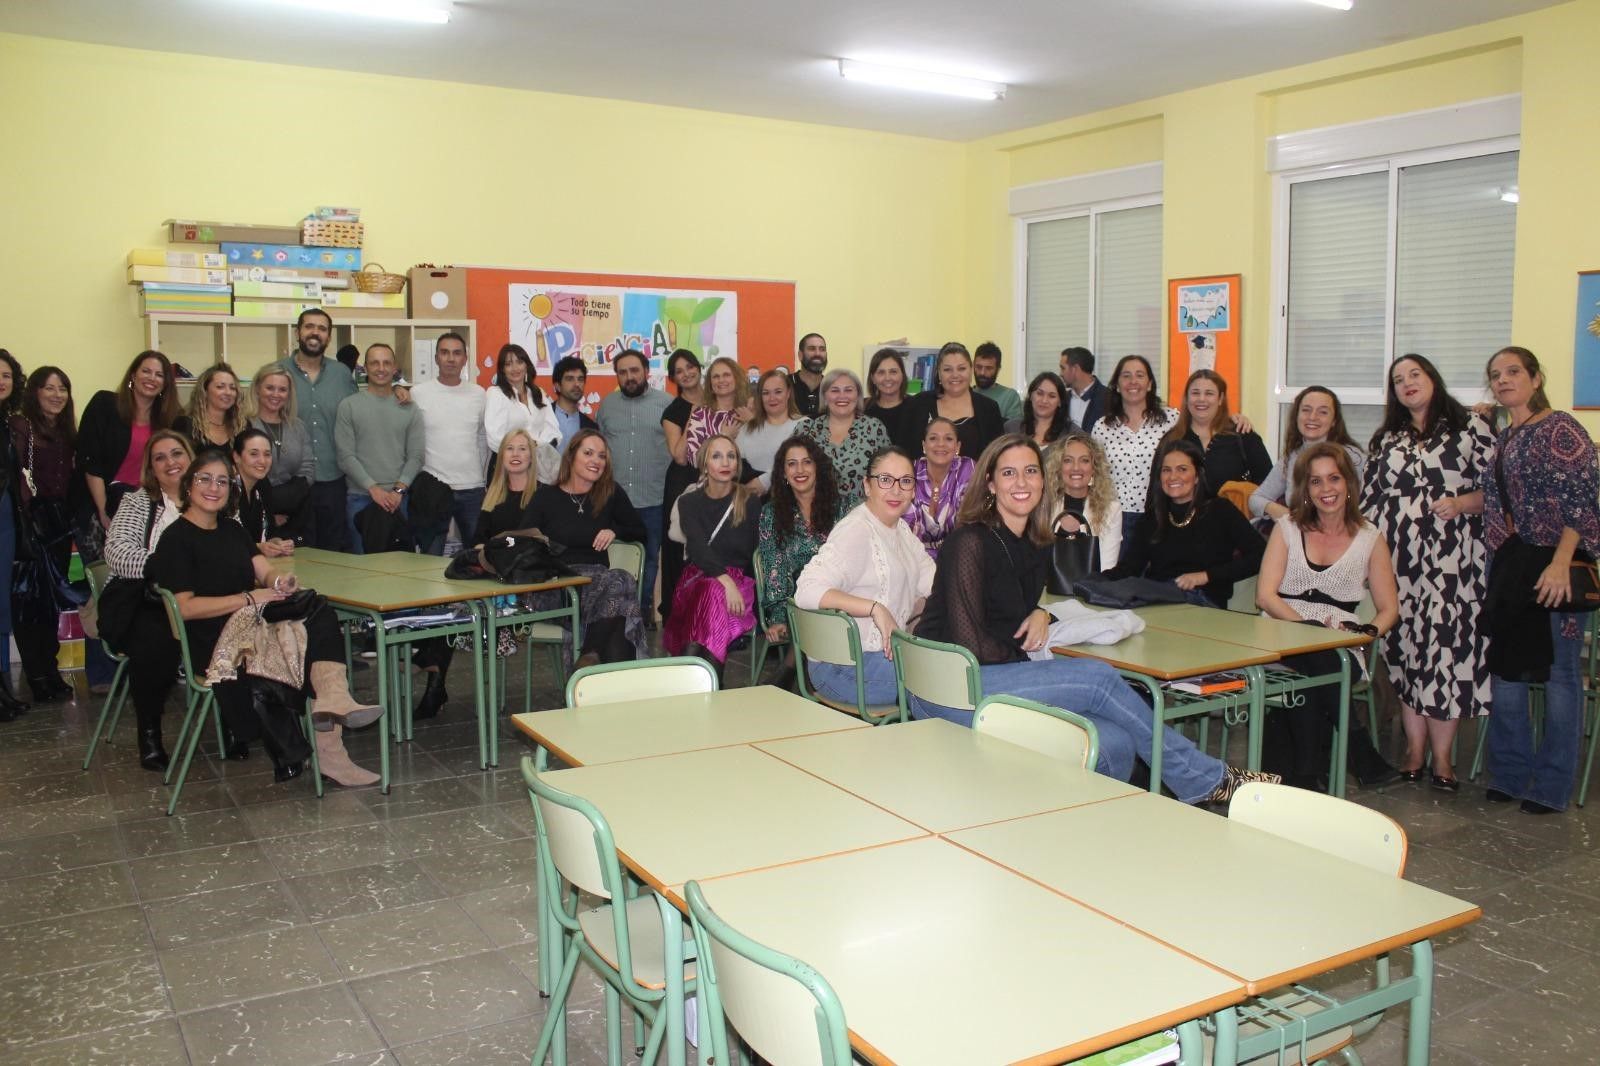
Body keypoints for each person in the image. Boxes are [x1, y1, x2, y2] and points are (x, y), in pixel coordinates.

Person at [912, 435, 1276, 803]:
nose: (1021, 483)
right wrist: (1049, 673)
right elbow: (970, 646)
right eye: (1008, 473)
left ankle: (1076, 829)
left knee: (1115, 744)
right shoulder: (970, 541)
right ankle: (1206, 779)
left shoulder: (1034, 543)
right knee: (1096, 678)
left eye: (1030, 471)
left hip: (990, 674)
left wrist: (1040, 612)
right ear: (990, 482)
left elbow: (1005, 610)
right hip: (949, 687)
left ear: (1043, 480)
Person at [148, 449, 381, 787]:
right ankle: (332, 749)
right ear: (188, 486)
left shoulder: (233, 530)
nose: (214, 487)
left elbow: (264, 570)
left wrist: (277, 582)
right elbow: (184, 608)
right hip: (214, 641)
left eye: (223, 481)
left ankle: (333, 701)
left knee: (316, 608)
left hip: (252, 623)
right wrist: (246, 598)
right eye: (205, 479)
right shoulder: (175, 540)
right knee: (310, 642)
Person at [1359, 353, 1493, 791]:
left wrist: (1461, 503)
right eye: (1398, 379)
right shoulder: (1385, 439)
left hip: (1455, 565)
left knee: (1447, 656)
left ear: (1433, 379)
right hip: (1399, 566)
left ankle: (1443, 758)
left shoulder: (1471, 429)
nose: (1407, 383)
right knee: (1408, 654)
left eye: (1415, 375)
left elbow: (1498, 492)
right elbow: (1369, 504)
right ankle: (1414, 751)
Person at [1481, 346, 1600, 815]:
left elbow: (1584, 503)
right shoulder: (1506, 435)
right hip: (1511, 573)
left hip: (1555, 570)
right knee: (1507, 672)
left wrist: (1560, 559)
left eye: (1513, 372)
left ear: (1535, 377)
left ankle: (1550, 786)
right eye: (1495, 375)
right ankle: (1510, 775)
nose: (1504, 380)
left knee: (1560, 677)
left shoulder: (1561, 428)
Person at [1256, 443, 1401, 789]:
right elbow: (1265, 595)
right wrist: (1307, 630)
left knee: (1318, 665)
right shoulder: (1287, 527)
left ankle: (1309, 774)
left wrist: (1365, 634)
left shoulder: (1370, 538)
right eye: (1316, 482)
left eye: (1333, 479)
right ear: (1306, 489)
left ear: (1349, 483)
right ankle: (1356, 750)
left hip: (1340, 640)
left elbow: (1389, 609)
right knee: (1317, 660)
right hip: (1281, 632)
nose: (1326, 490)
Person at [520, 429, 650, 670]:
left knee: (619, 609)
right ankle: (603, 675)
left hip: (599, 585)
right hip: (556, 586)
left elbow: (640, 531)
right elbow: (525, 542)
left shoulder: (610, 493)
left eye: (601, 456)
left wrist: (615, 531)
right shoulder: (546, 497)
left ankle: (588, 660)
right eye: (588, 453)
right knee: (621, 585)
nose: (596, 461)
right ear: (571, 456)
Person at [102, 430, 193, 768]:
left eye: (177, 453)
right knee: (154, 642)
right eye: (160, 457)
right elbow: (117, 553)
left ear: (190, 457)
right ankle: (150, 733)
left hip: (202, 599)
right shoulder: (137, 501)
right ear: (151, 468)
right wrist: (167, 567)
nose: (171, 462)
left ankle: (235, 723)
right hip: (145, 598)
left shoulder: (213, 496)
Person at [1104, 437, 1265, 608]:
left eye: (1182, 469)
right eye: (1166, 470)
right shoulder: (1151, 518)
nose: (1173, 476)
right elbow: (1128, 569)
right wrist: (1091, 581)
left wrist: (1206, 576)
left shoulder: (1220, 510)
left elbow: (1259, 554)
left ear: (1197, 476)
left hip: (1204, 604)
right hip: (1157, 599)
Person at [663, 434, 760, 675]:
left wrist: (728, 582)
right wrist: (724, 581)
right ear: (704, 463)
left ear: (737, 463)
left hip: (739, 587)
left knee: (713, 592)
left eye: (731, 456)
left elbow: (750, 552)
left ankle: (689, 673)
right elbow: (697, 548)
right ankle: (711, 680)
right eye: (716, 456)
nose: (725, 462)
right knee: (712, 589)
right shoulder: (688, 502)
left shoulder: (749, 501)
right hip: (696, 581)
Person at [11, 366, 79, 703]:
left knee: (52, 600)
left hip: (58, 525)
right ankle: (36, 673)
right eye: (49, 388)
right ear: (34, 391)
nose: (57, 395)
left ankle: (49, 670)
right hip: (30, 524)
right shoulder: (21, 426)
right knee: (29, 602)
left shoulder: (67, 431)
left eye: (62, 388)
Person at [597, 348, 673, 621]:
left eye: (634, 371)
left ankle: (640, 612)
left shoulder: (667, 403)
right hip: (613, 499)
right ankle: (614, 611)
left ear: (646, 372)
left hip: (652, 497)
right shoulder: (607, 405)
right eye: (622, 372)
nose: (629, 377)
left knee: (650, 559)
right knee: (613, 558)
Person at [273, 309, 358, 550]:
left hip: (333, 479)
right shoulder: (278, 372)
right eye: (309, 326)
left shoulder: (342, 374)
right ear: (297, 332)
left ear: (329, 337)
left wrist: (397, 393)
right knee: (294, 556)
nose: (315, 333)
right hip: (290, 481)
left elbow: (358, 414)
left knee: (333, 553)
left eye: (322, 329)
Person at [757, 435, 838, 684]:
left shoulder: (843, 508)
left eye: (807, 462)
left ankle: (786, 673)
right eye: (792, 464)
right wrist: (779, 616)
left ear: (818, 468)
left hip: (841, 597)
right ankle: (815, 686)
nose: (800, 470)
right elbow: (774, 567)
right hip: (797, 603)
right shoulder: (771, 514)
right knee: (809, 607)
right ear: (783, 472)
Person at [335, 344, 424, 554]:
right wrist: (373, 489)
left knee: (400, 571)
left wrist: (397, 491)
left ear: (395, 368)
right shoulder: (349, 406)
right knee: (363, 571)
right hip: (361, 499)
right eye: (374, 363)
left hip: (399, 500)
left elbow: (417, 456)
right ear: (365, 367)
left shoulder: (409, 408)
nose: (381, 368)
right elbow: (346, 456)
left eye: (386, 363)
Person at [76, 349, 179, 530]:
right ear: (133, 375)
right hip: (99, 506)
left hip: (144, 508)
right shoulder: (105, 404)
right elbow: (90, 461)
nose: (152, 378)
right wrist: (103, 510)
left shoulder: (168, 421)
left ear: (165, 384)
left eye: (159, 375)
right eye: (146, 371)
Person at [410, 332, 489, 554]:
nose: (451, 359)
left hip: (472, 488)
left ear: (465, 359)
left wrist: (479, 474)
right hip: (433, 488)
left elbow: (482, 437)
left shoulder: (478, 394)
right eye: (445, 353)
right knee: (429, 559)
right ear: (436, 358)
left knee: (477, 557)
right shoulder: (418, 393)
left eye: (457, 353)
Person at [1091, 354, 1177, 542]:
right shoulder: (1102, 426)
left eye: (1140, 375)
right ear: (1116, 385)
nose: (1133, 381)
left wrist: (1236, 419)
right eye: (1126, 376)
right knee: (1115, 571)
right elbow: (1095, 474)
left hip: (1158, 514)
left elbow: (1203, 424)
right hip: (1113, 517)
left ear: (1150, 384)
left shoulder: (1171, 420)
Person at [1251, 386, 1364, 521]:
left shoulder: (1352, 458)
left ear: (1334, 421)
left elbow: (1364, 506)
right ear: (1296, 415)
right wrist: (1284, 514)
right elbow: (1256, 498)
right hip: (1296, 533)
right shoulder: (1292, 456)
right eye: (1306, 410)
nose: (1312, 417)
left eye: (1322, 412)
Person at [657, 349, 706, 626]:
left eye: (690, 366)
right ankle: (677, 616)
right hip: (682, 482)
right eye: (679, 370)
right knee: (679, 546)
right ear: (673, 378)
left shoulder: (716, 399)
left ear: (699, 367)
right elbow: (678, 454)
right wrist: (695, 416)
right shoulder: (673, 411)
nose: (686, 373)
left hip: (714, 480)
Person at [1167, 369, 1271, 498]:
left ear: (1221, 399)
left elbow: (1268, 486)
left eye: (1209, 393)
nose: (1201, 399)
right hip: (1183, 518)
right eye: (1195, 393)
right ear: (1186, 399)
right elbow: (1157, 490)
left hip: (1233, 517)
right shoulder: (1172, 439)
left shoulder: (1243, 436)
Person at [897, 342, 1004, 462]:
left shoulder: (989, 408)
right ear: (939, 372)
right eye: (947, 369)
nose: (955, 375)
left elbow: (998, 457)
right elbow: (902, 455)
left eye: (961, 368)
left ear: (971, 369)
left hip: (975, 480)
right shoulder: (917, 405)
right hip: (923, 479)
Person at [802, 369, 891, 513]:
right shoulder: (805, 430)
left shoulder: (874, 428)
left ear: (858, 395)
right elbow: (787, 472)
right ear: (824, 396)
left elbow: (888, 475)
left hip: (863, 519)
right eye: (835, 390)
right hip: (813, 518)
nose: (842, 396)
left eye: (848, 390)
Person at [246, 365, 315, 543]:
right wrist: (268, 512)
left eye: (282, 389)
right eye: (270, 388)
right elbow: (241, 471)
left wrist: (286, 505)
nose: (276, 394)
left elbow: (307, 470)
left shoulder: (298, 426)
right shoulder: (243, 424)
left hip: (293, 515)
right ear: (257, 389)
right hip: (253, 515)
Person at [484, 342, 560, 479]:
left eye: (519, 362)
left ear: (526, 365)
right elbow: (494, 438)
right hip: (506, 470)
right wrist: (524, 448)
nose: (515, 368)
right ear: (502, 370)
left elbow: (553, 430)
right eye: (508, 364)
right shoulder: (495, 393)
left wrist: (535, 445)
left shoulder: (539, 393)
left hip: (539, 468)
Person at [1046, 432, 1122, 569]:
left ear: (1094, 468)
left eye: (1084, 460)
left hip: (1092, 587)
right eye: (1068, 460)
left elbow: (1107, 568)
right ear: (1059, 467)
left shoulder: (1111, 509)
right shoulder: (1044, 506)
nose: (1076, 467)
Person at [904, 417, 973, 557]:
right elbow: (903, 528)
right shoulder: (908, 471)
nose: (941, 444)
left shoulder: (968, 468)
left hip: (957, 557)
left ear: (958, 446)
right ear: (924, 445)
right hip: (911, 556)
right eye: (933, 438)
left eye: (948, 439)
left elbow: (970, 524)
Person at [0, 351, 25, 718]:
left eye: (6, 375)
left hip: (5, 513)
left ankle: (3, 688)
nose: (1, 381)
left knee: (2, 604)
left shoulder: (9, 423)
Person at [232, 428, 295, 558]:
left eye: (267, 454)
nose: (262, 461)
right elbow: (219, 541)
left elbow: (270, 530)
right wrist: (257, 547)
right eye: (254, 454)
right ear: (236, 457)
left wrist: (276, 543)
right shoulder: (225, 488)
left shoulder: (263, 484)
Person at [683, 356, 756, 466]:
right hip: (714, 481)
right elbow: (695, 459)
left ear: (737, 378)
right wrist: (723, 436)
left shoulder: (751, 410)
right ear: (710, 384)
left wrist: (753, 422)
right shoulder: (700, 415)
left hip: (752, 480)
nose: (721, 380)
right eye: (716, 377)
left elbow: (769, 449)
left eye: (726, 375)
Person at [740, 368, 805, 490]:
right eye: (766, 393)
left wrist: (764, 482)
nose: (772, 398)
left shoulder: (804, 426)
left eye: (778, 392)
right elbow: (735, 463)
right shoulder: (747, 428)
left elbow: (808, 466)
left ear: (788, 393)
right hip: (752, 500)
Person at [173, 364, 245, 450]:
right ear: (205, 391)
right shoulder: (185, 425)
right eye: (220, 387)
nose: (228, 392)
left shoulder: (242, 427)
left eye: (232, 388)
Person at [1008, 371, 1072, 448]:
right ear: (1031, 396)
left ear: (1060, 402)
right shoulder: (1011, 428)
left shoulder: (1071, 434)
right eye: (1040, 393)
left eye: (1052, 396)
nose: (1044, 400)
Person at [549, 354, 597, 455]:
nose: (577, 384)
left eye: (580, 379)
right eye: (570, 379)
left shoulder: (591, 427)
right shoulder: (542, 417)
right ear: (557, 386)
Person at [864, 347, 913, 445]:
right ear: (873, 378)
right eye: (881, 372)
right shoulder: (863, 408)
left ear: (902, 375)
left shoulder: (916, 407)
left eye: (893, 372)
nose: (887, 378)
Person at [1059, 346, 1107, 434]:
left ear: (1075, 369)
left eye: (1063, 368)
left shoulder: (1110, 399)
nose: (1060, 374)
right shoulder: (1061, 398)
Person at [973, 340, 1023, 424]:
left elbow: (1013, 431)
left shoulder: (1009, 397)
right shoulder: (966, 394)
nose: (982, 373)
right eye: (978, 367)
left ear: (998, 369)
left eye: (988, 368)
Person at [791, 332, 828, 418]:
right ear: (800, 355)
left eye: (822, 349)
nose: (817, 354)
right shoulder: (785, 385)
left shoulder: (832, 387)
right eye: (812, 349)